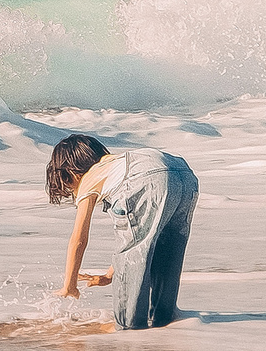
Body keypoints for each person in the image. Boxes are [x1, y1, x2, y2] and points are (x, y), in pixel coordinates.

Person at [48, 134, 199, 330]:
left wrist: (69, 285)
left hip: (144, 179)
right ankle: (165, 322)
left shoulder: (89, 177)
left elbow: (79, 238)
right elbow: (136, 236)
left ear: (72, 172)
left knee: (134, 258)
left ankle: (129, 330)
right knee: (168, 252)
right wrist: (110, 275)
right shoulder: (115, 163)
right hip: (184, 174)